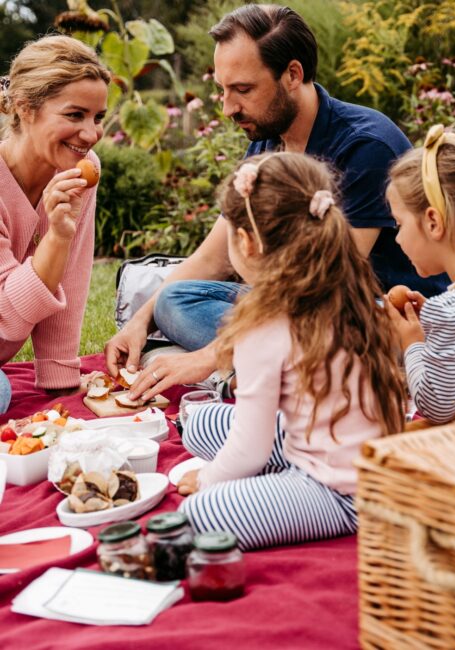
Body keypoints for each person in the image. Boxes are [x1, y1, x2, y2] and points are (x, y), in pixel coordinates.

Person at [106, 3, 447, 401]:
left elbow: (327, 289)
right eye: (222, 89)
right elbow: (214, 256)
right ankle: (274, 367)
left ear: (292, 74)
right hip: (299, 306)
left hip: (373, 316)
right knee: (173, 300)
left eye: (243, 90)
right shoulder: (266, 140)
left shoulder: (365, 145)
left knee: (315, 327)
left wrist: (212, 356)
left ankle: (254, 373)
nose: (228, 107)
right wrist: (140, 321)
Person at [175, 152, 405, 550]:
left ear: (246, 242)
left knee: (198, 516)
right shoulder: (358, 293)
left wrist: (209, 480)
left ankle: (275, 489)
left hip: (344, 493)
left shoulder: (264, 324)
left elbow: (250, 449)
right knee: (200, 422)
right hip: (355, 454)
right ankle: (272, 482)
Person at [0, 35, 110, 408]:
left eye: (98, 118)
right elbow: (5, 321)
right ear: (25, 107)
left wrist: (61, 377)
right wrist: (55, 241)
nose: (91, 134)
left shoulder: (82, 169)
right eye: (74, 115)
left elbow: (73, 275)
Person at [385, 124, 455, 425]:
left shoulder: (450, 310)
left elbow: (436, 407)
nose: (397, 239)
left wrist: (412, 341)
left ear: (433, 221)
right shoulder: (451, 309)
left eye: (398, 224)